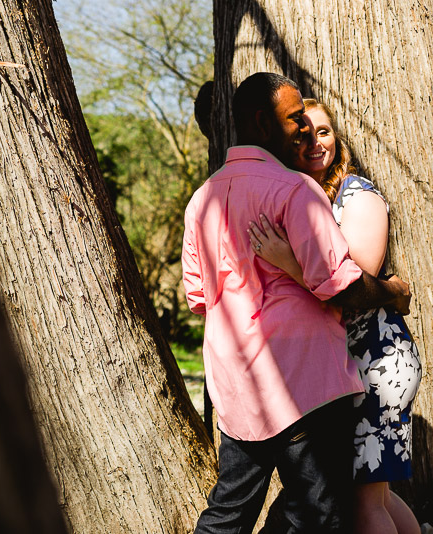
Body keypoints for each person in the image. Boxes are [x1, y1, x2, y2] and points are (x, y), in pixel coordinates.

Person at [182, 71, 412, 533]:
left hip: (236, 387)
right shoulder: (295, 190)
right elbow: (342, 285)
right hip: (305, 383)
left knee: (228, 513)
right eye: (296, 121)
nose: (306, 130)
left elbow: (197, 297)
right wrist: (391, 291)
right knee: (318, 514)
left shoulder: (201, 200)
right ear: (263, 124)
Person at [247, 98, 422, 534]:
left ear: (336, 138)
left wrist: (287, 261)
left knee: (364, 505)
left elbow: (353, 290)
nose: (314, 142)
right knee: (371, 492)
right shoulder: (299, 198)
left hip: (375, 362)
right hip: (341, 366)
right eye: (303, 133)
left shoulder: (356, 196)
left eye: (323, 131)